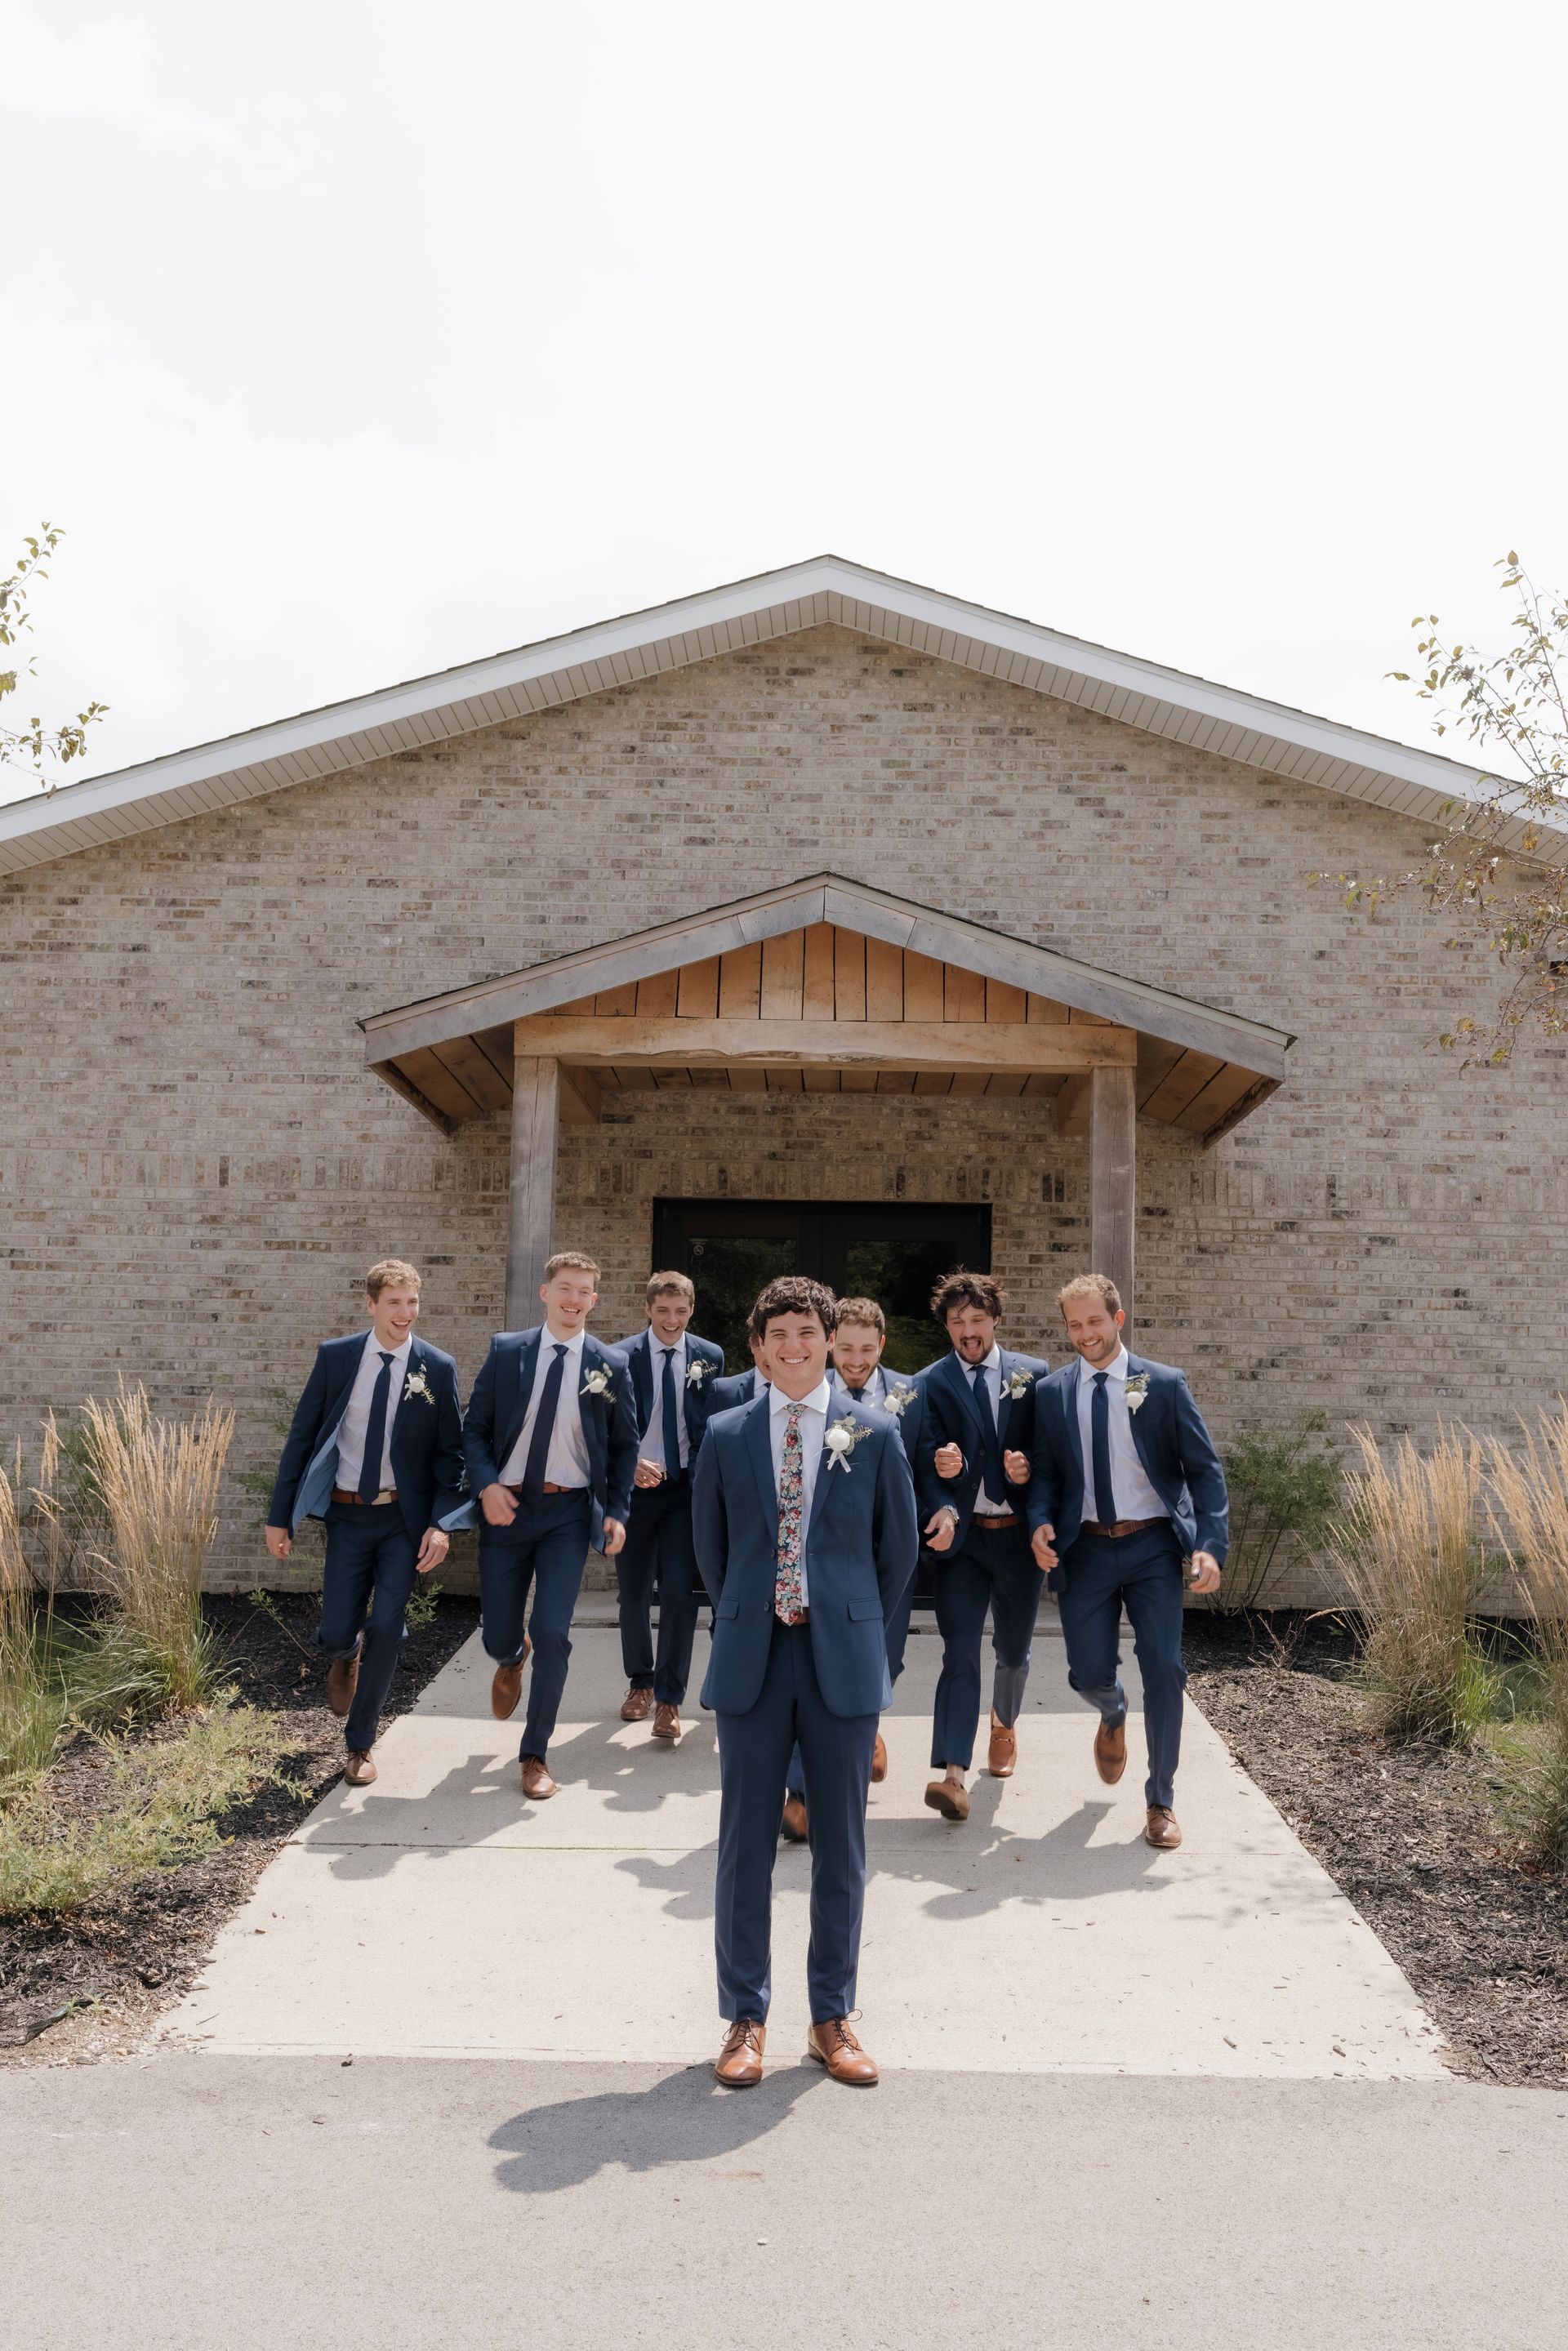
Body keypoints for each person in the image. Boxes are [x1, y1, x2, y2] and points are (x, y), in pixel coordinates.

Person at [693, 1276, 917, 2088]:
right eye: (777, 1333)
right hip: (756, 1657)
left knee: (842, 1851)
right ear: (758, 1346)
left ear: (832, 1338)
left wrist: (847, 1620)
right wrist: (760, 1610)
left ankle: (832, 2015)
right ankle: (744, 2015)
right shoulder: (724, 1434)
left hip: (841, 1662)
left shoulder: (877, 1432)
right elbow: (711, 1553)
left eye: (806, 1331)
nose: (793, 1345)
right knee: (744, 1846)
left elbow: (898, 1558)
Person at [1027, 1273, 1227, 1850]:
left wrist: (1208, 1544)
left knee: (1164, 1667)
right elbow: (1044, 1473)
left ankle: (1160, 1799)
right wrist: (1040, 1520)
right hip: (1084, 1548)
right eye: (1074, 1324)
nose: (1085, 1333)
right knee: (1087, 1671)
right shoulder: (1052, 1393)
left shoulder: (1162, 1384)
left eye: (1094, 1320)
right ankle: (1111, 1709)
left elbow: (1204, 1472)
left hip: (1151, 1546)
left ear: (1118, 1318)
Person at [265, 1258, 463, 1787]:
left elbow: (452, 1458)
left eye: (413, 1301)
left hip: (403, 1519)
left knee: (387, 1627)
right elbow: (302, 1438)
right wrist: (279, 1516)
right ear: (371, 1304)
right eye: (394, 1302)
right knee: (337, 1631)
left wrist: (442, 1524)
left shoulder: (436, 1369)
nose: (406, 1312)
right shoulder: (337, 1358)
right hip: (348, 1515)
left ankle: (359, 1744)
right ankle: (344, 1654)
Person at [462, 1250, 638, 1801]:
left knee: (555, 1633)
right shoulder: (506, 1351)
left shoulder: (610, 1365)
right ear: (546, 1292)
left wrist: (617, 1510)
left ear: (593, 1299)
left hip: (567, 1512)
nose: (573, 1298)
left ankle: (534, 1752)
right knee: (498, 1634)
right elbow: (475, 1429)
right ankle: (511, 1657)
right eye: (565, 1287)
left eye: (584, 1290)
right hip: (507, 1509)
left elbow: (623, 1442)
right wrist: (487, 1484)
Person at [782, 1298, 924, 1839]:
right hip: (819, 1563)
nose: (855, 1359)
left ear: (882, 1346)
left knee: (876, 1667)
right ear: (828, 1345)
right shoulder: (807, 1396)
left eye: (866, 1348)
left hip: (882, 1564)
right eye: (845, 1348)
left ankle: (866, 1735)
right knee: (805, 1672)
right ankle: (801, 1794)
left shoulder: (911, 1392)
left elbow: (921, 1477)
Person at [915, 1271, 1048, 1823]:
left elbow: (1052, 1453)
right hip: (964, 1544)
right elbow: (923, 1455)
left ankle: (1004, 1722)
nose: (967, 1331)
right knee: (960, 1650)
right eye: (956, 1322)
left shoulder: (1034, 1375)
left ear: (995, 1316)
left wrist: (1030, 1466)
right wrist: (941, 1475)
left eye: (975, 1319)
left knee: (1012, 1652)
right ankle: (952, 1773)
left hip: (1016, 1537)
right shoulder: (930, 1381)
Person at [611, 1272, 725, 1742]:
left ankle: (669, 1700)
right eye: (663, 1311)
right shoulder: (619, 1356)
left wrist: (701, 1477)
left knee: (680, 1595)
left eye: (680, 1311)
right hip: (635, 1492)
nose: (672, 1320)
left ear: (691, 1310)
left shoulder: (710, 1357)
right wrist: (629, 1462)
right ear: (648, 1310)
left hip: (683, 1493)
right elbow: (607, 1423)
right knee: (633, 1594)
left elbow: (711, 1423)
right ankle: (640, 1682)